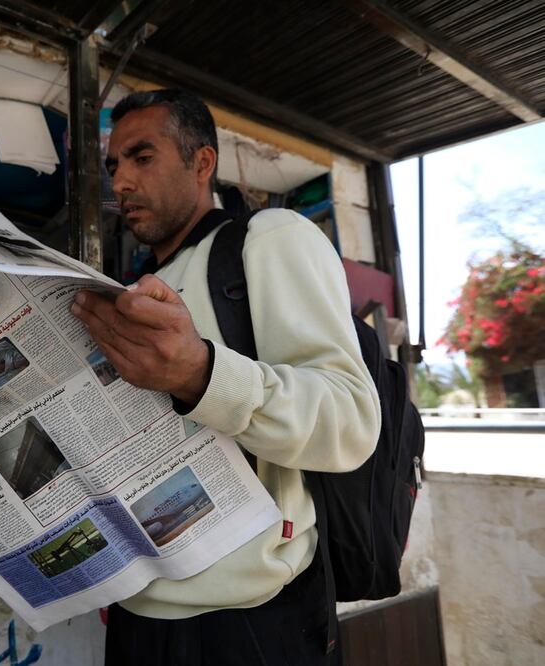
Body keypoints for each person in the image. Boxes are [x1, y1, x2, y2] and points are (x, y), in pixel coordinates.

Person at [70, 89, 381, 665]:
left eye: (142, 157)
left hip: (252, 622)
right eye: (114, 166)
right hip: (135, 619)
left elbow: (351, 420)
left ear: (202, 162)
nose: (122, 183)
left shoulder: (265, 240)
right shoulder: (132, 292)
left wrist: (201, 373)